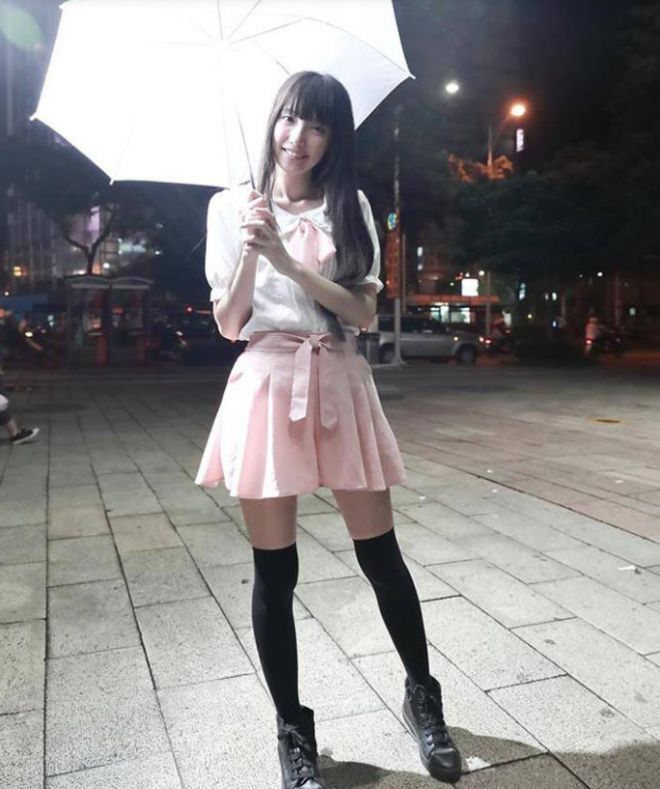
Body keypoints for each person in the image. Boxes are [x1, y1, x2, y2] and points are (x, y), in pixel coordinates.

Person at [195, 72, 462, 787]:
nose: (299, 138)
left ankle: (423, 696)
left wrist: (288, 261)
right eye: (289, 119)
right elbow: (229, 324)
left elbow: (362, 312)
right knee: (275, 570)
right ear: (272, 120)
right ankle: (293, 729)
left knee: (381, 554)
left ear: (334, 137)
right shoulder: (230, 207)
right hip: (266, 382)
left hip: (339, 375)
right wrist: (253, 249)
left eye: (317, 126)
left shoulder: (351, 205)